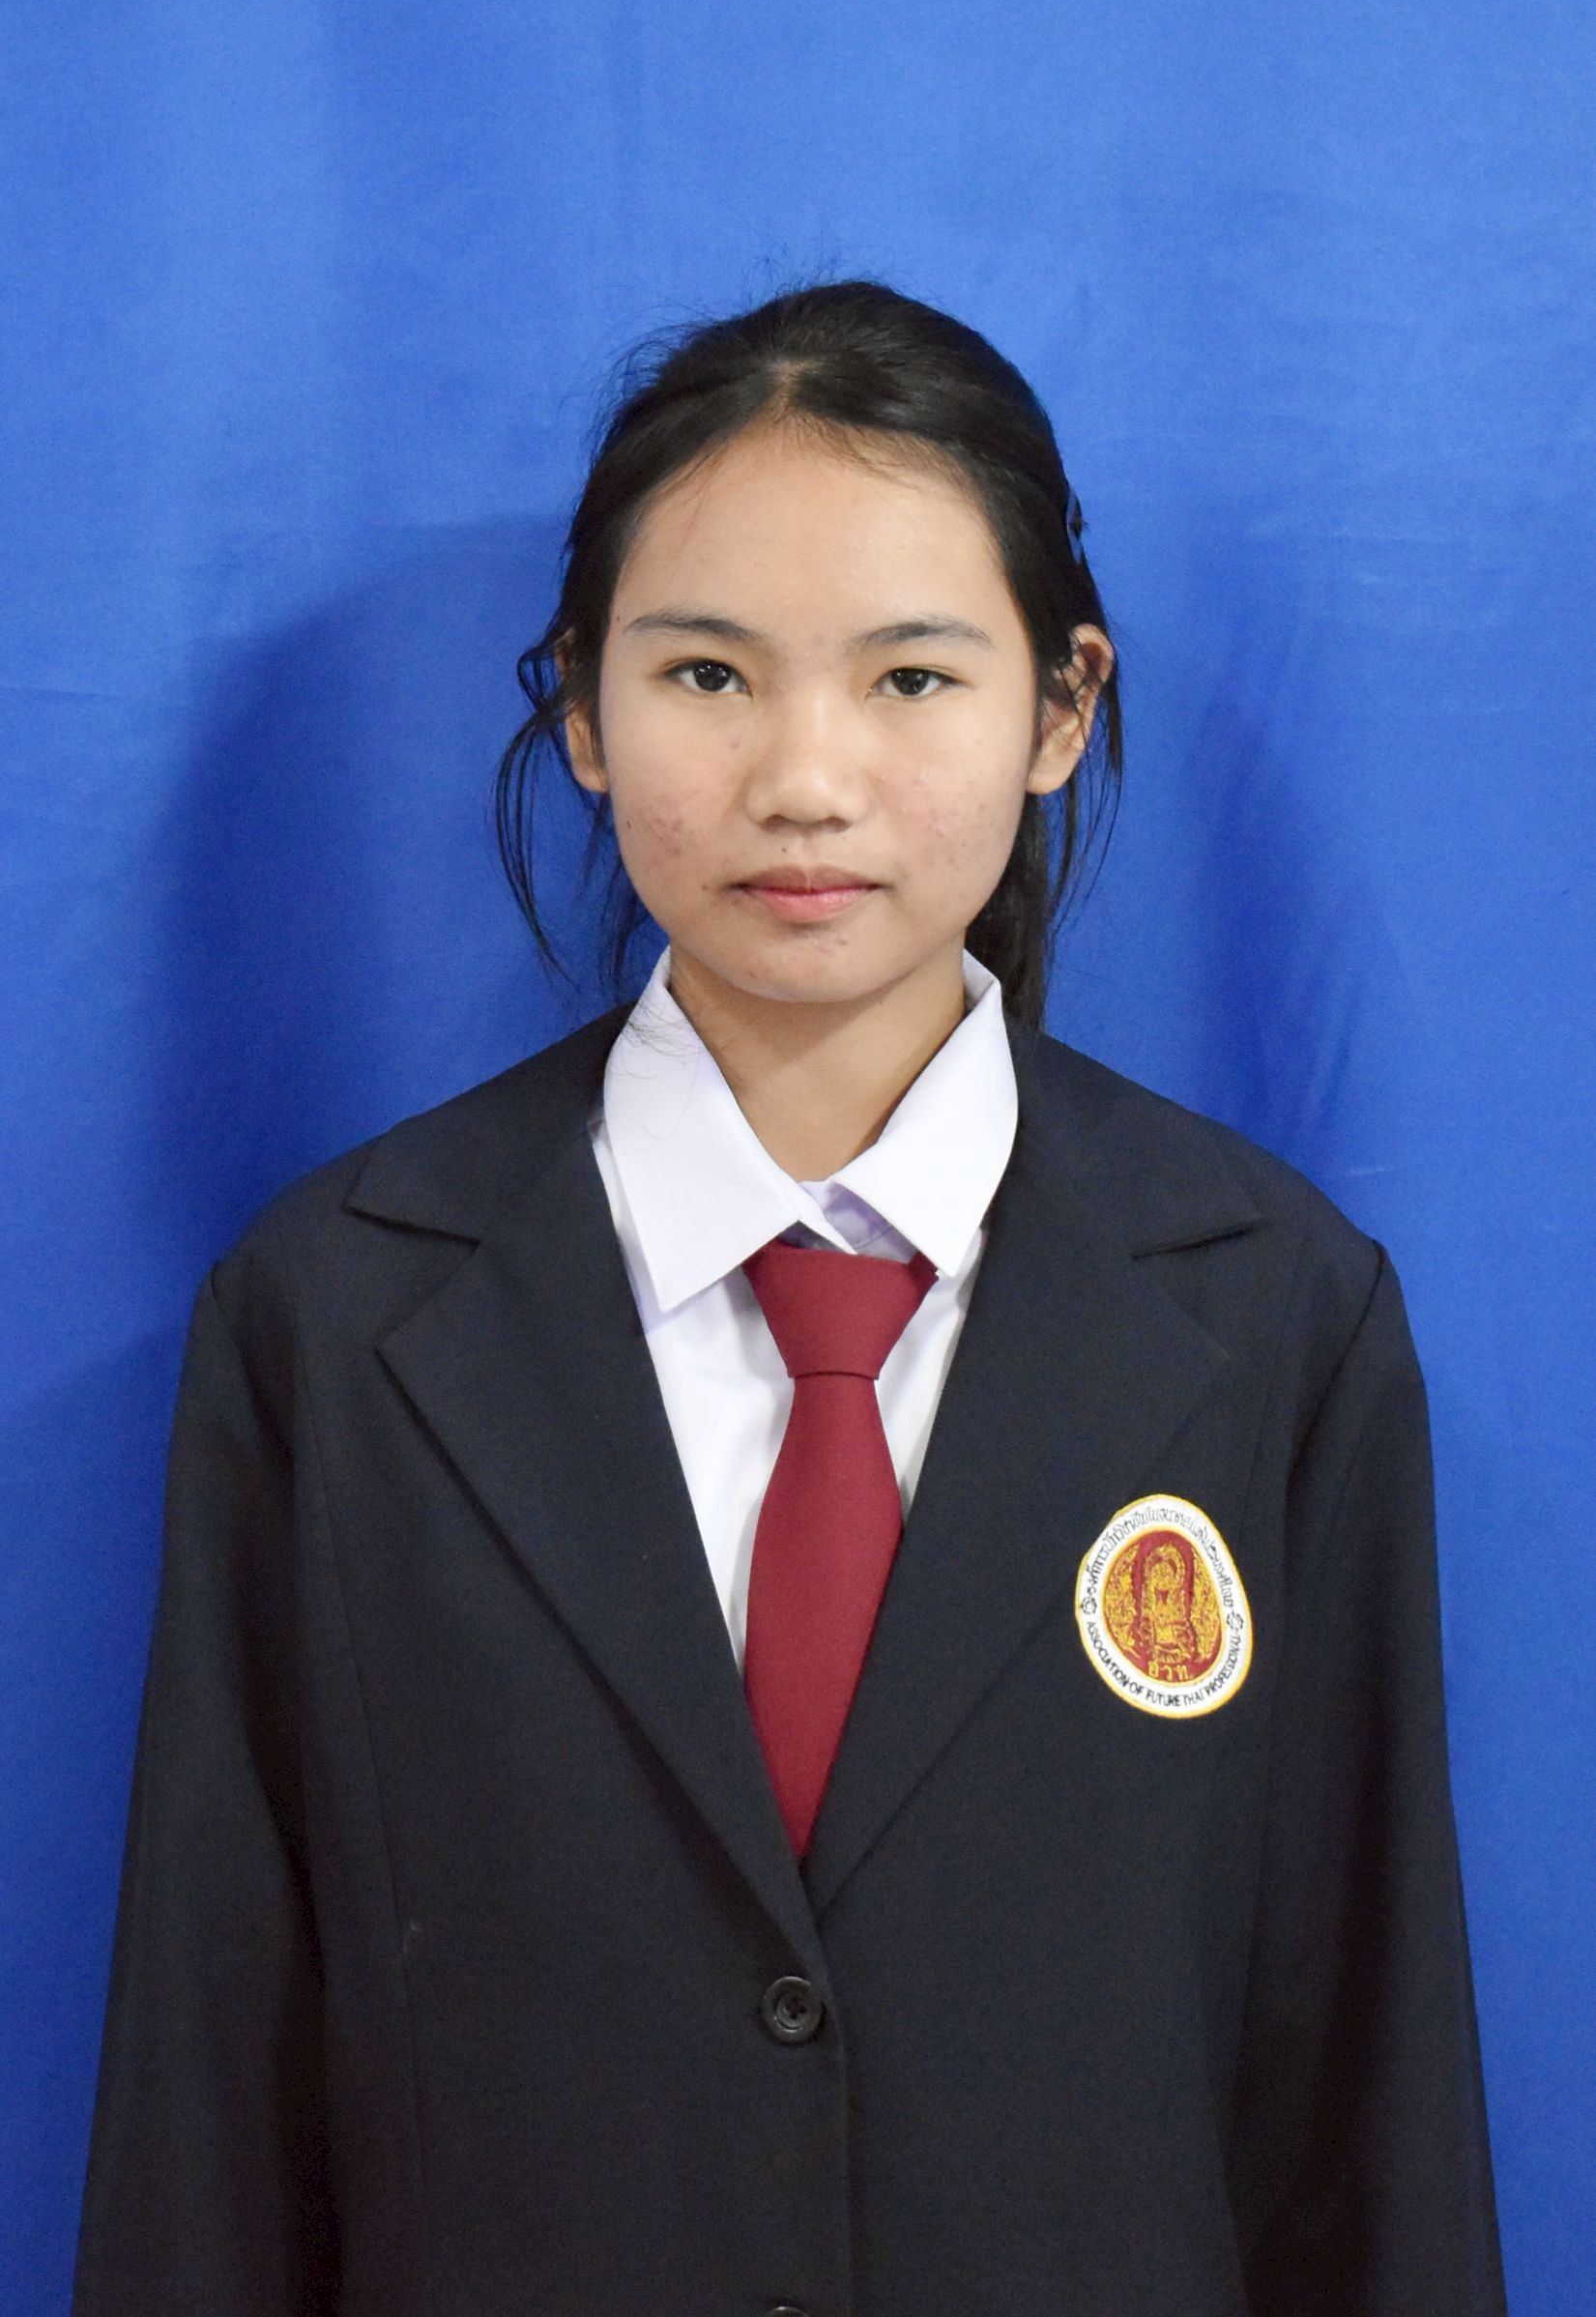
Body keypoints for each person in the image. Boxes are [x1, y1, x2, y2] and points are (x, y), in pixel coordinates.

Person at [72, 278, 1507, 2315]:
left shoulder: (1277, 1314)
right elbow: (208, 2099)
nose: (805, 778)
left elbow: (1370, 2095)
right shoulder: (330, 1320)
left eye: (911, 676)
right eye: (706, 674)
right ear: (580, 710)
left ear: (1060, 706)